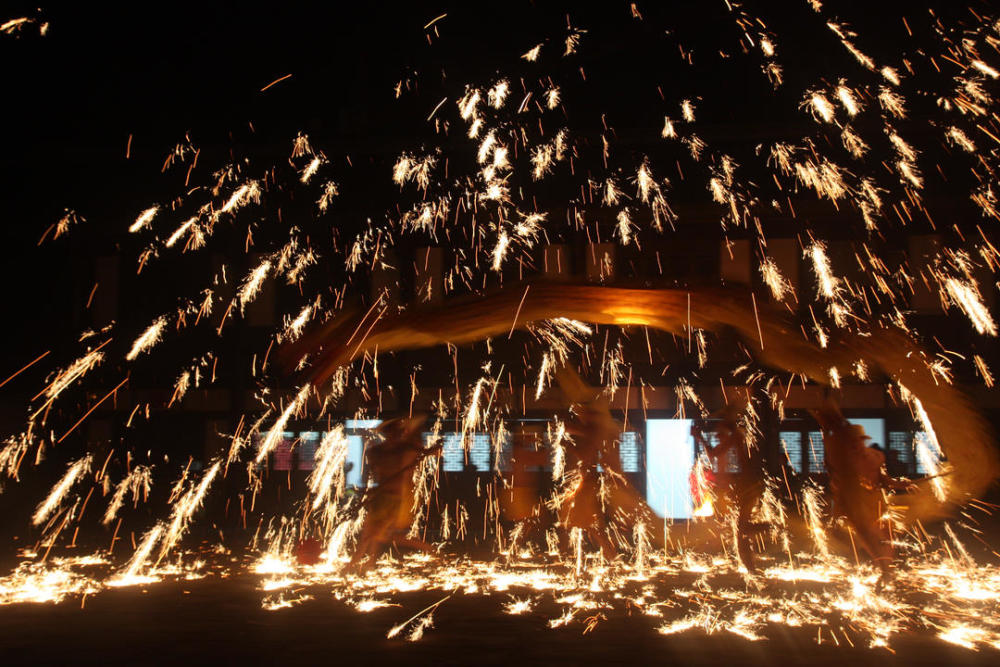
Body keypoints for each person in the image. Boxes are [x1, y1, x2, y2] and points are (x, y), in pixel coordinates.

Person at [811, 406, 912, 585]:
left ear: (862, 441)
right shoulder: (843, 461)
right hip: (857, 504)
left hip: (876, 501)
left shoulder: (874, 456)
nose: (855, 445)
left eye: (857, 441)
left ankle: (885, 566)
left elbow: (882, 478)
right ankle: (883, 569)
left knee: (885, 534)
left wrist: (900, 484)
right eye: (851, 443)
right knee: (868, 535)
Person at [349, 415, 441, 569]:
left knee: (377, 534)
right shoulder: (377, 452)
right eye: (392, 432)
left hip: (397, 499)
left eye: (398, 431)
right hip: (379, 497)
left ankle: (357, 564)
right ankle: (366, 563)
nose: (395, 434)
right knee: (372, 534)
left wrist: (432, 450)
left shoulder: (406, 449)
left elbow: (429, 452)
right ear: (387, 434)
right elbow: (375, 472)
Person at [691, 404, 766, 574]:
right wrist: (699, 439)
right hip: (740, 490)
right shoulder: (730, 440)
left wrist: (701, 437)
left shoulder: (736, 438)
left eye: (721, 433)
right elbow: (712, 455)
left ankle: (772, 529)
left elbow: (717, 453)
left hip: (747, 488)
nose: (718, 436)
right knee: (739, 531)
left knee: (741, 530)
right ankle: (751, 569)